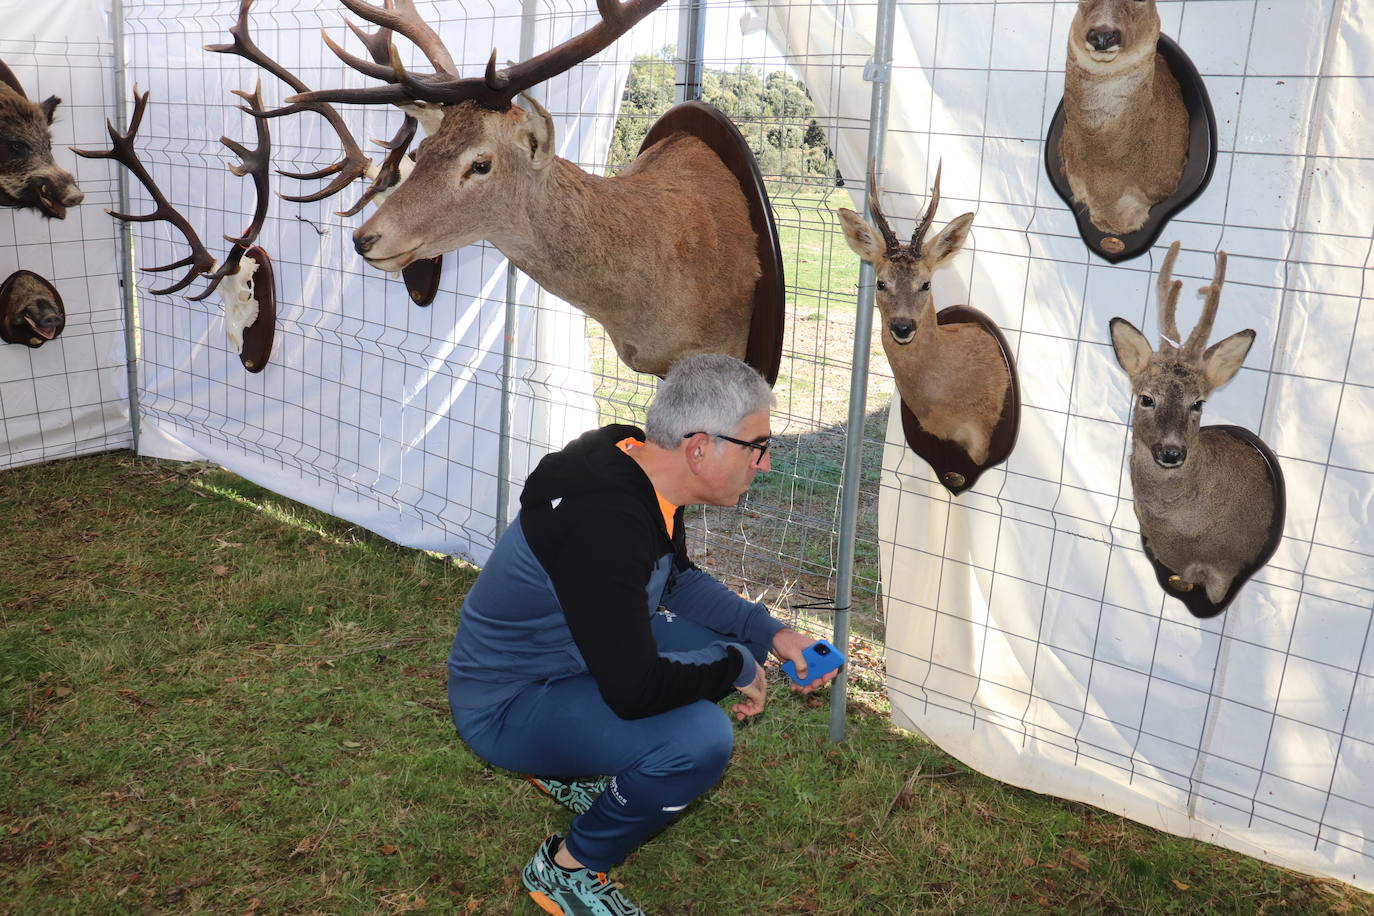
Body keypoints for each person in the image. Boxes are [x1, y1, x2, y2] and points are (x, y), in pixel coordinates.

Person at [446, 353, 837, 916]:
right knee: (698, 739)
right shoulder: (605, 524)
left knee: (743, 640)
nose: (766, 464)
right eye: (756, 446)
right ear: (700, 448)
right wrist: (732, 665)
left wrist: (773, 635)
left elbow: (674, 579)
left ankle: (572, 760)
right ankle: (568, 868)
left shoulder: (636, 465)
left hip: (570, 657)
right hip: (508, 703)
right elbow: (634, 689)